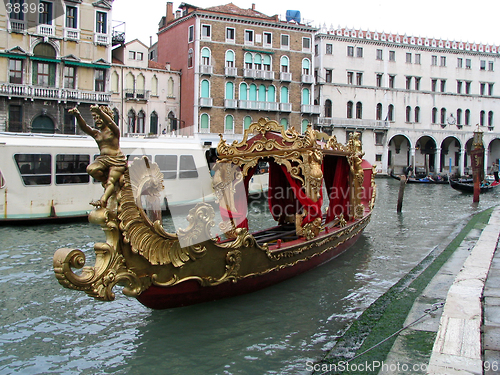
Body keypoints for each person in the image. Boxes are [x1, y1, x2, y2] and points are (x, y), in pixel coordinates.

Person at [69, 105, 127, 208]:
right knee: (91, 169)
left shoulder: (114, 132)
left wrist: (100, 112)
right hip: (103, 159)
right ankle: (108, 185)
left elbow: (110, 123)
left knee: (111, 181)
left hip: (117, 159)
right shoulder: (97, 134)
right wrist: (77, 115)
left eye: (100, 118)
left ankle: (103, 199)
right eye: (95, 118)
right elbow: (84, 127)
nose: (98, 120)